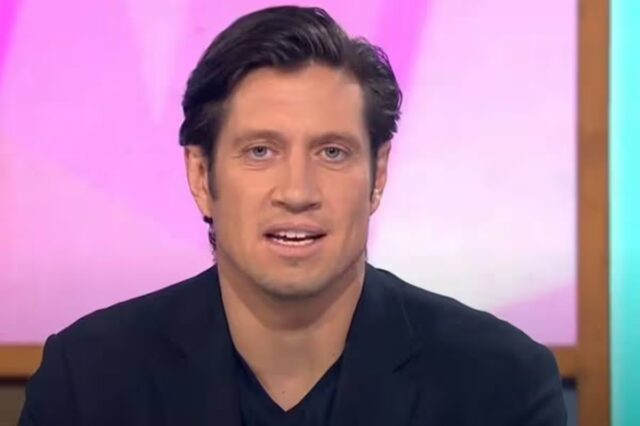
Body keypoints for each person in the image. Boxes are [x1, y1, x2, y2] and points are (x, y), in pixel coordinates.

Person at [19, 5, 566, 426]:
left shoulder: (501, 386)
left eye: (332, 152)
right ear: (202, 177)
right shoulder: (89, 382)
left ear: (377, 175)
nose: (298, 192)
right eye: (261, 151)